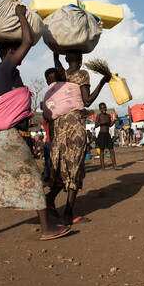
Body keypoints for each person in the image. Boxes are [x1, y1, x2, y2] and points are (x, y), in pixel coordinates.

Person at [0, 4, 71, 243]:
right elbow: (28, 41)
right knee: (32, 176)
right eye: (17, 49)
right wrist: (21, 15)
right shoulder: (6, 67)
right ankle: (46, 228)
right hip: (6, 136)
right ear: (11, 51)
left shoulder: (6, 73)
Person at [46, 50, 109, 226]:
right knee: (75, 167)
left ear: (66, 58)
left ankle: (50, 199)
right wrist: (102, 82)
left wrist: (55, 52)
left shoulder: (61, 74)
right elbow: (87, 101)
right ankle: (67, 214)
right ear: (81, 59)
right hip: (74, 125)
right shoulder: (82, 74)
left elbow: (56, 61)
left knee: (62, 165)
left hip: (59, 127)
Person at [94, 102, 118, 170]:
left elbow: (110, 125)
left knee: (111, 149)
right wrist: (101, 123)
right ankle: (102, 167)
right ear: (100, 109)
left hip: (107, 134)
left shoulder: (108, 116)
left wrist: (114, 120)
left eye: (105, 108)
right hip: (102, 134)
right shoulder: (99, 116)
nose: (104, 109)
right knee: (102, 150)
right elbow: (95, 125)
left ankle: (114, 165)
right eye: (102, 108)